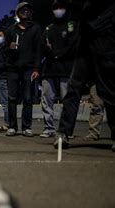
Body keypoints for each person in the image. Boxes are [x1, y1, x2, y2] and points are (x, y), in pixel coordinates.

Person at [55, 0, 115, 150]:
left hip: (105, 39)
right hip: (85, 40)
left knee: (107, 90)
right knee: (74, 87)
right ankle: (63, 132)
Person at [39, 0, 78, 138]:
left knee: (67, 101)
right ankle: (49, 128)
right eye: (56, 8)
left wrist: (57, 54)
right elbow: (42, 47)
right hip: (48, 70)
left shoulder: (72, 25)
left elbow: (74, 46)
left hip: (66, 70)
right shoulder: (48, 28)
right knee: (46, 100)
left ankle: (66, 131)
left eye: (61, 7)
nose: (58, 10)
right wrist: (48, 52)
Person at [4, 2, 42, 137]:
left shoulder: (36, 29)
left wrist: (36, 68)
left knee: (27, 98)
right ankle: (12, 126)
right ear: (18, 13)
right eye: (23, 10)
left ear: (31, 13)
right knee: (12, 97)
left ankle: (26, 127)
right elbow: (3, 50)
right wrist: (10, 47)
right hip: (12, 69)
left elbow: (38, 50)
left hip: (29, 69)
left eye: (28, 10)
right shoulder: (10, 30)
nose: (26, 12)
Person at [0, 30, 9, 132]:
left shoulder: (5, 49)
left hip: (2, 77)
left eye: (0, 35)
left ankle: (7, 123)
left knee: (5, 102)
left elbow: (5, 64)